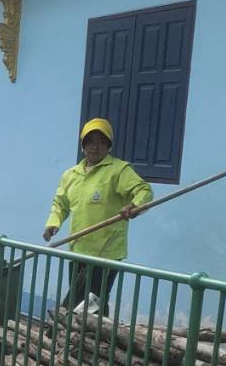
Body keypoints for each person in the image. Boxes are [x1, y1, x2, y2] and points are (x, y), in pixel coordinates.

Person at [43, 118, 154, 308]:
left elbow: (144, 190)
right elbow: (60, 203)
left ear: (109, 146)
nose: (95, 147)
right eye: (90, 141)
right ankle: (76, 325)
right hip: (79, 248)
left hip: (107, 250)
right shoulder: (71, 175)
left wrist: (134, 206)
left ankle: (75, 322)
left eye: (102, 142)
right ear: (83, 145)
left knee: (92, 300)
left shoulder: (118, 170)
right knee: (84, 300)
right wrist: (53, 223)